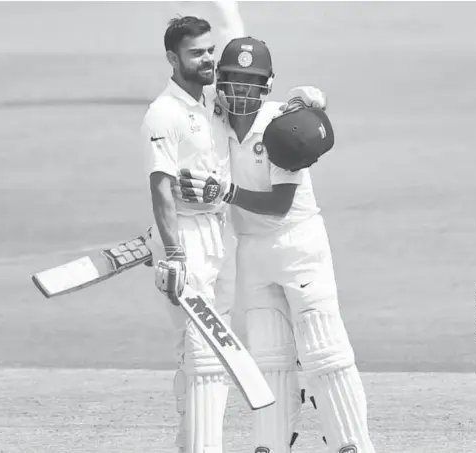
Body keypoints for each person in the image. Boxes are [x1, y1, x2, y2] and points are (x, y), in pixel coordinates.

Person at [174, 37, 378, 453]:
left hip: (299, 247)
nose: (243, 92)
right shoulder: (213, 123)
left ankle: (352, 445)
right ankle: (269, 445)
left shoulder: (282, 126)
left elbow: (281, 205)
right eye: (234, 82)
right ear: (222, 84)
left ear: (266, 86)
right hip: (253, 251)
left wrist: (225, 193)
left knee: (326, 356)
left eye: (252, 83)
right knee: (269, 361)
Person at [140, 9, 327, 453]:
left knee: (205, 356)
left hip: (220, 236)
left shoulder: (213, 105)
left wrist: (305, 103)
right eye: (195, 54)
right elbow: (161, 186)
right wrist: (173, 252)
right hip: (187, 242)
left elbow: (260, 113)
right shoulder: (162, 113)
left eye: (209, 51)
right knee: (205, 356)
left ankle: (193, 446)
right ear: (172, 58)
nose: (206, 60)